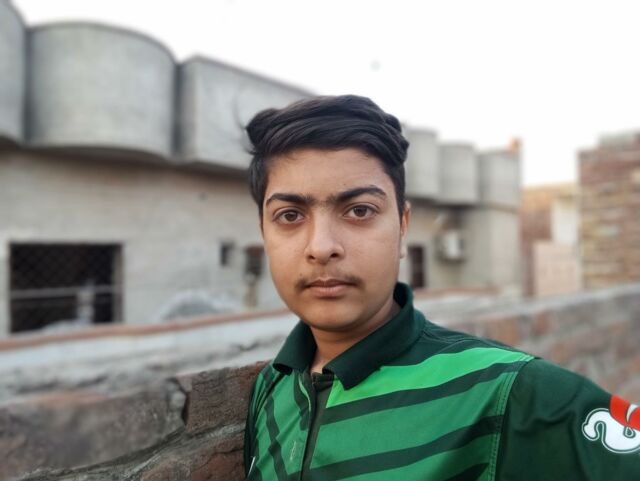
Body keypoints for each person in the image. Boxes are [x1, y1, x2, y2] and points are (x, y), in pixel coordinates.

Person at [242, 95, 639, 480]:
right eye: (289, 215)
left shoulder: (504, 390)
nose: (321, 246)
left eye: (359, 210)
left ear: (402, 227)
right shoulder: (271, 390)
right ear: (263, 231)